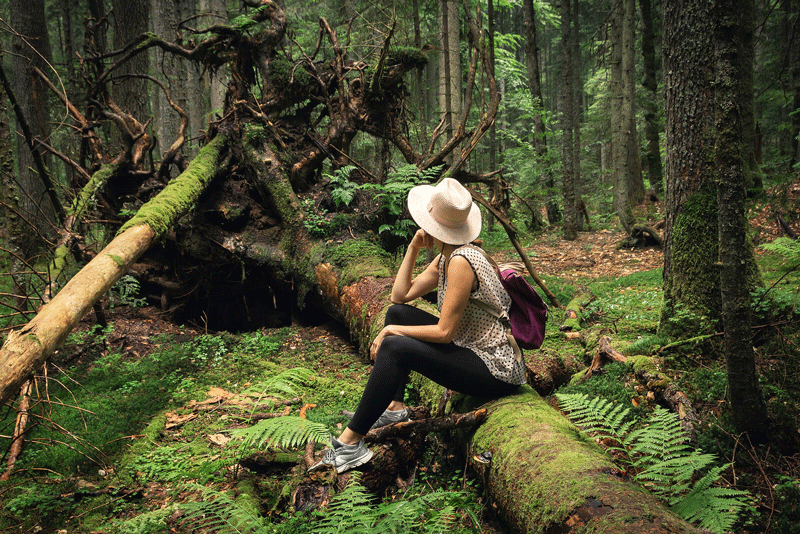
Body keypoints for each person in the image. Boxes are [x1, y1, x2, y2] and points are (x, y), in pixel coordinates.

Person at [309, 177, 526, 474]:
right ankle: (394, 409)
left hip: (493, 368)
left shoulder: (462, 261)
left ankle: (349, 445)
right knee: (397, 314)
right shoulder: (446, 257)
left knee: (394, 344)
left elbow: (443, 332)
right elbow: (399, 296)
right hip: (469, 349)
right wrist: (413, 247)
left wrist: (388, 333)